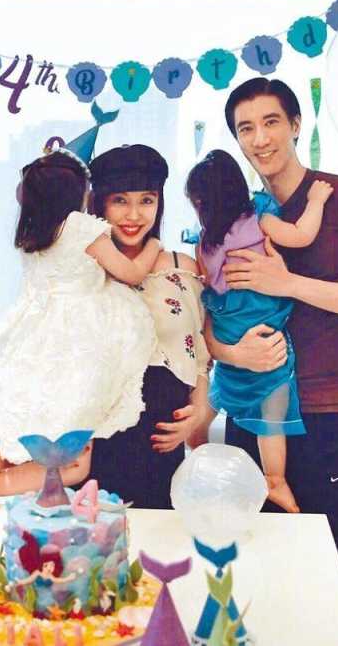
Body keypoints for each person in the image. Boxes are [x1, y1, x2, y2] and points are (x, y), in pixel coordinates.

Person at [207, 77, 338, 646]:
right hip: (250, 412)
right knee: (252, 580)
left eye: (271, 122)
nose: (260, 138)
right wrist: (230, 352)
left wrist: (288, 282)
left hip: (326, 414)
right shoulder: (240, 216)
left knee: (336, 574)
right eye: (246, 128)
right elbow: (210, 314)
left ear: (296, 125)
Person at [0, 149, 158, 507]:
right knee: (74, 463)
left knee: (38, 441)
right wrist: (154, 246)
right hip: (79, 348)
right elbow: (131, 273)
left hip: (35, 345)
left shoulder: (33, 232)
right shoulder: (81, 227)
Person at [186, 149, 333, 513]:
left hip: (227, 329)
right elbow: (301, 235)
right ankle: (275, 480)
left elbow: (205, 287)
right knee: (272, 410)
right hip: (261, 330)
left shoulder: (205, 242)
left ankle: (198, 449)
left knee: (211, 401)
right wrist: (316, 201)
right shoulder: (260, 219)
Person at [85, 144, 212, 509]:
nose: (134, 215)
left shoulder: (182, 266)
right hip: (97, 442)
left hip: (162, 445)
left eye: (147, 200)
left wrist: (198, 411)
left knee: (161, 541)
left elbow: (199, 352)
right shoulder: (85, 268)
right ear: (101, 204)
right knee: (95, 542)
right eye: (120, 201)